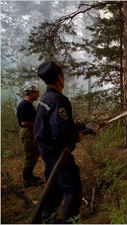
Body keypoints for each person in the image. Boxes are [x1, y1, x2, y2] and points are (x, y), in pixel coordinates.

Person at [34, 60, 85, 223]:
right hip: (58, 154)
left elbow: (56, 125)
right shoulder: (58, 100)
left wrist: (83, 127)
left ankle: (47, 217)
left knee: (54, 187)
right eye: (63, 74)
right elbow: (62, 132)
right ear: (59, 77)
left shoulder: (45, 99)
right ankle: (69, 221)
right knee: (73, 190)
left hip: (47, 152)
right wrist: (77, 136)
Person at [16, 84, 44, 187]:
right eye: (37, 92)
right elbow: (24, 122)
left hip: (30, 131)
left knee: (34, 154)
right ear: (31, 93)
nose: (38, 94)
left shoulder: (28, 104)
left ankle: (30, 176)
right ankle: (27, 180)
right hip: (27, 132)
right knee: (31, 156)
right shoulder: (24, 105)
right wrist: (38, 124)